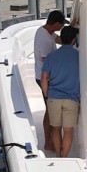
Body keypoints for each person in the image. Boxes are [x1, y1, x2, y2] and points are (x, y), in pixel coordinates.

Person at [40, 26, 80, 158]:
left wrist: (46, 95)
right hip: (72, 98)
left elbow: (44, 78)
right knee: (68, 130)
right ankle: (64, 156)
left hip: (53, 97)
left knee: (56, 129)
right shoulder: (79, 56)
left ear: (61, 39)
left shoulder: (51, 56)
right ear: (74, 40)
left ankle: (58, 155)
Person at [34, 10, 65, 150]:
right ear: (57, 23)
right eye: (62, 25)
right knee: (50, 111)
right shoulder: (44, 39)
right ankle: (48, 142)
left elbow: (59, 40)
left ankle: (51, 140)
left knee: (51, 110)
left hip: (47, 77)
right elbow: (48, 61)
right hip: (45, 79)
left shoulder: (47, 32)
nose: (62, 28)